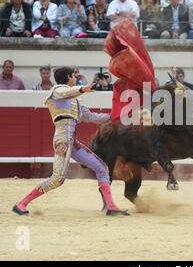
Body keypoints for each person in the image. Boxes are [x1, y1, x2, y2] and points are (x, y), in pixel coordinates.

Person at [12, 66, 129, 216]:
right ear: (68, 78)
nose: (76, 79)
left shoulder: (74, 101)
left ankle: (111, 206)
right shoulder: (58, 91)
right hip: (62, 140)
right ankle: (21, 204)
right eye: (74, 76)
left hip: (71, 141)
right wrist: (82, 89)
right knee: (58, 179)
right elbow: (66, 92)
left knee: (102, 167)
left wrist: (117, 117)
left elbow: (92, 117)